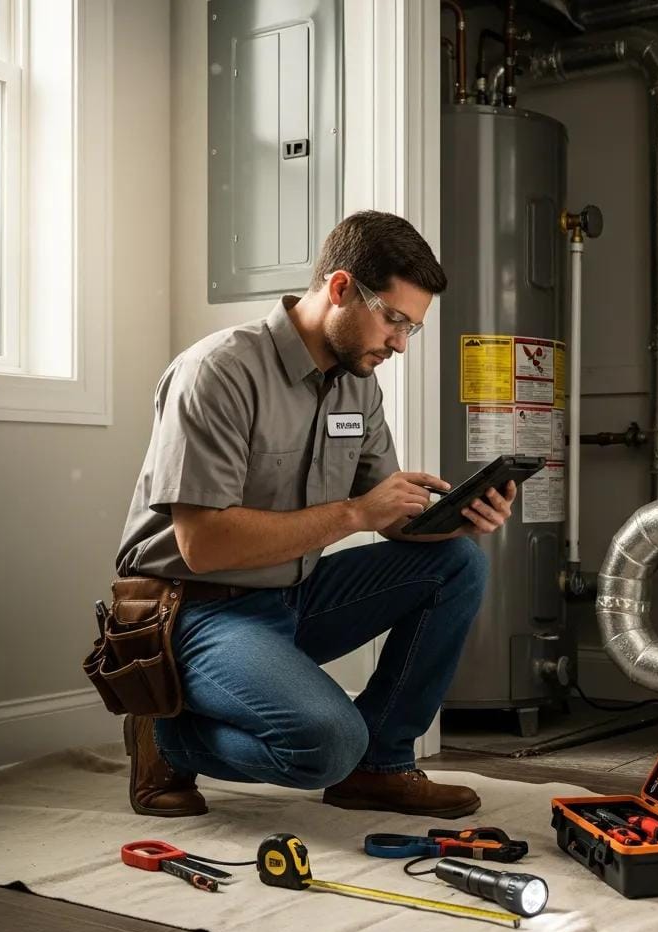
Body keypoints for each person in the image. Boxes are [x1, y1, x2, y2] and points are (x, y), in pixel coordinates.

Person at [115, 210, 517, 819]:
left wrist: (457, 518)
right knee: (328, 744)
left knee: (456, 563)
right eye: (395, 320)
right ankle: (167, 735)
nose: (401, 344)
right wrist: (357, 512)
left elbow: (387, 513)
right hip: (191, 611)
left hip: (289, 596)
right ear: (340, 289)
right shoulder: (218, 372)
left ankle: (379, 766)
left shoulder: (358, 384)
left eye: (413, 328)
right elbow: (204, 544)